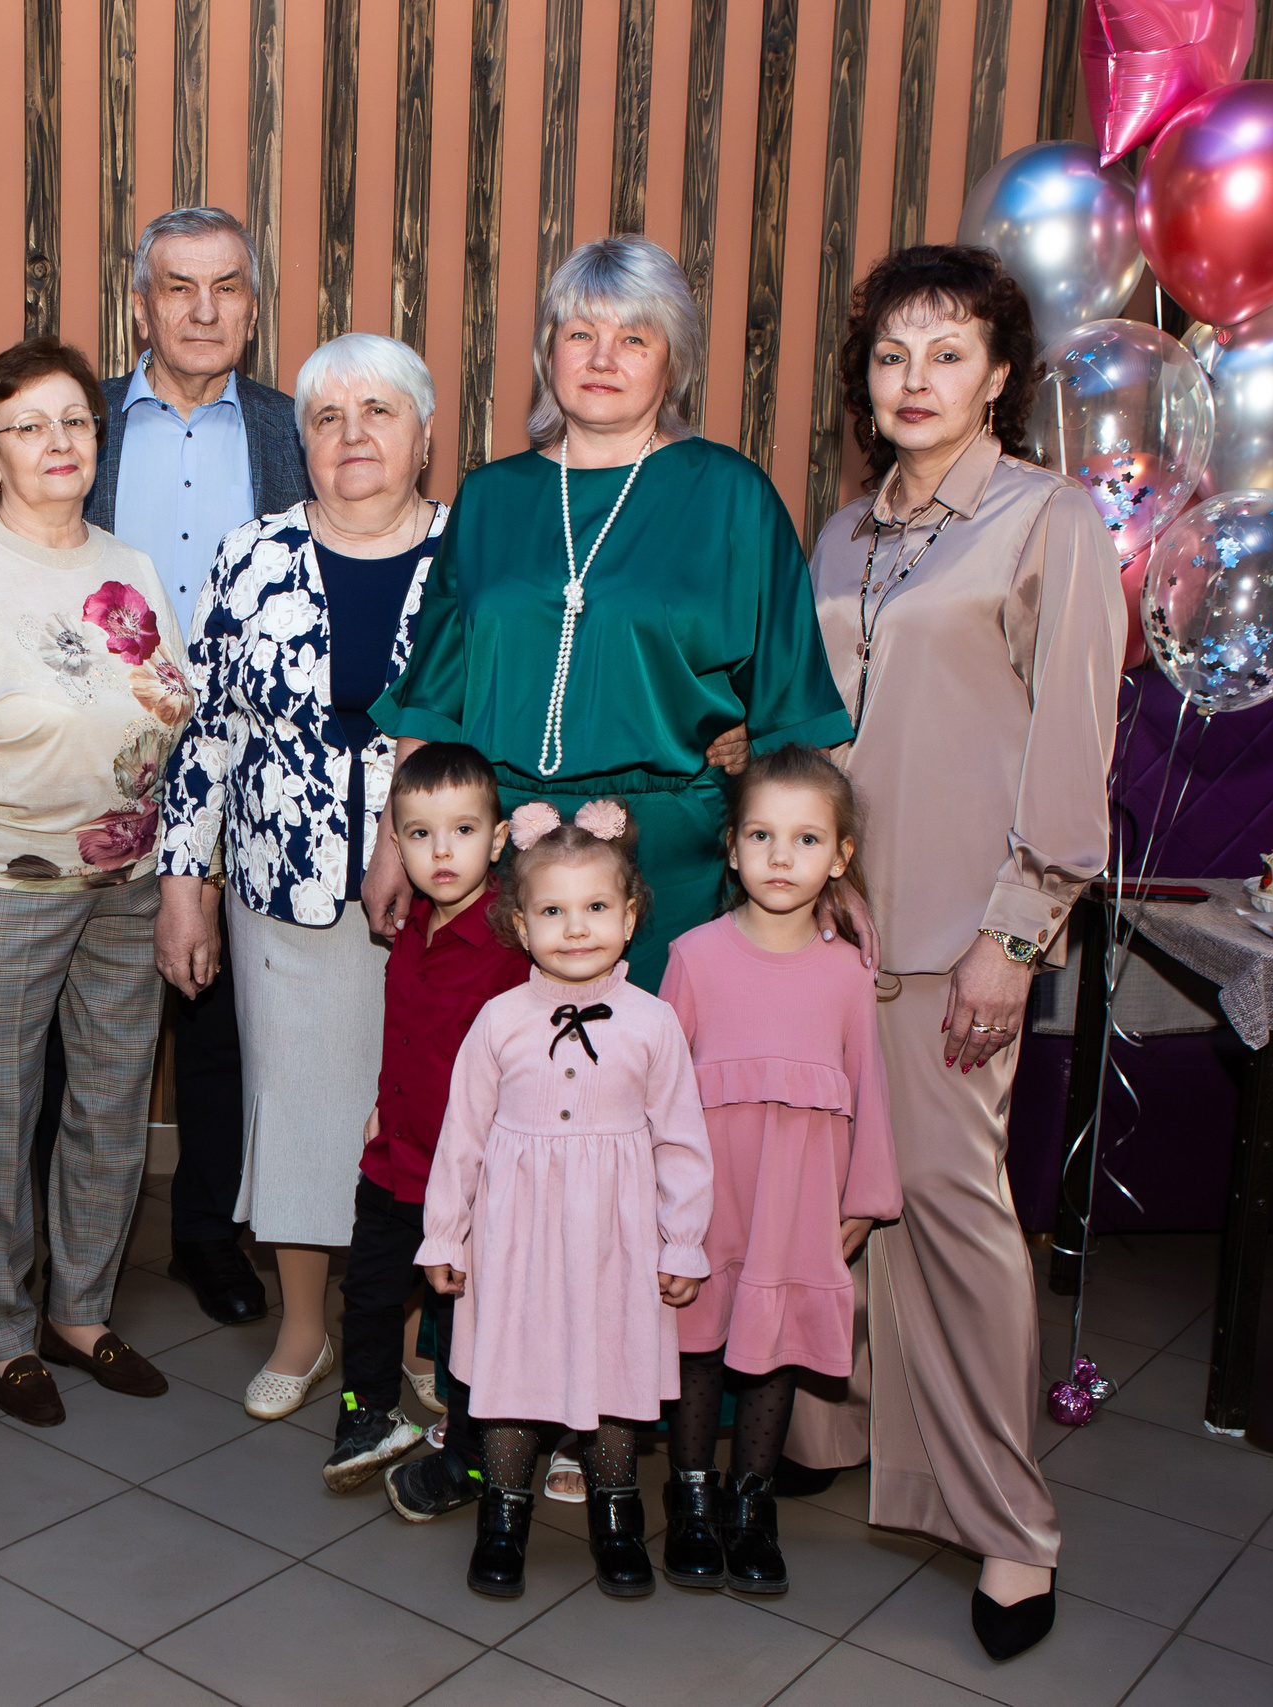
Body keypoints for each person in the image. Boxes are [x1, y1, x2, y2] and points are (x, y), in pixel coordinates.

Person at [798, 244, 1124, 1661]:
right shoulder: (844, 532)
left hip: (958, 933)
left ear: (1002, 373)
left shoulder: (1052, 523)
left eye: (947, 352)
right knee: (834, 1185)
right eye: (889, 354)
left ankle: (1010, 1524)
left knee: (957, 1215)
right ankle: (840, 1417)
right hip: (829, 923)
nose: (914, 379)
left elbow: (1072, 748)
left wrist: (1014, 932)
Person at [365, 235, 853, 993]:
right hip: (501, 864)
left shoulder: (733, 497)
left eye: (633, 338)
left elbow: (797, 722)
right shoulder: (491, 499)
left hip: (669, 871)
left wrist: (817, 879)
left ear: (673, 362)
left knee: (655, 1096)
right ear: (547, 353)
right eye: (580, 335)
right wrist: (393, 845)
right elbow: (432, 700)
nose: (602, 358)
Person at [0, 336, 189, 1427]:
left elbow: (169, 712)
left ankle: (81, 1310)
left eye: (73, 421)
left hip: (128, 883)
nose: (57, 442)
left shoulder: (133, 564)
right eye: (29, 427)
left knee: (110, 1110)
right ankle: (2, 1332)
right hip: (3, 886)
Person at [157, 332, 448, 1418]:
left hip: (441, 898)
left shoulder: (470, 557)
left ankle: (419, 1330)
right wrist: (182, 882)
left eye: (378, 413)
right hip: (278, 892)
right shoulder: (250, 555)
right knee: (298, 1111)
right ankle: (306, 1327)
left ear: (423, 435)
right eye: (327, 419)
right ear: (303, 445)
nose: (352, 436)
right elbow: (204, 737)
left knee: (426, 1114)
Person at [93, 206, 310, 1328]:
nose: (203, 310)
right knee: (81, 1007)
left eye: (227, 287)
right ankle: (62, 1240)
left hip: (242, 767)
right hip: (94, 765)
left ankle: (206, 1234)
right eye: (178, 288)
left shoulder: (291, 431)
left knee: (219, 1016)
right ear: (141, 306)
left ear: (253, 307)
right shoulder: (77, 424)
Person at [418, 801, 715, 1602]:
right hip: (517, 1238)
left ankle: (617, 1517)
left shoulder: (653, 1024)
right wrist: (446, 1234)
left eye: (595, 908)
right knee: (514, 1375)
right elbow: (462, 1136)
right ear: (520, 920)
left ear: (629, 917)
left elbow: (683, 1143)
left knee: (616, 1377)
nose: (575, 927)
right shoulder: (498, 1021)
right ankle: (503, 1516)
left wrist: (682, 1242)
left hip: (618, 1240)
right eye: (553, 910)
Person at [658, 746, 900, 1597]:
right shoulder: (691, 955)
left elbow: (869, 1083)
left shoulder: (847, 969)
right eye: (761, 834)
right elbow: (660, 1090)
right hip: (708, 1194)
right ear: (731, 847)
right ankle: (688, 1498)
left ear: (839, 857)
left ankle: (751, 1504)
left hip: (799, 1192)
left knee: (773, 1350)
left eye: (804, 839)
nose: (780, 856)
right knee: (699, 1342)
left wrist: (865, 1198)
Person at [317, 742, 525, 1495]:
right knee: (367, 1294)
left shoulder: (514, 943)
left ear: (497, 839)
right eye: (421, 834)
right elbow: (403, 1030)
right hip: (395, 1156)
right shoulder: (410, 928)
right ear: (396, 842)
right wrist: (382, 1103)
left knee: (467, 1318)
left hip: (468, 1178)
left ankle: (470, 1449)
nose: (442, 851)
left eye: (463, 830)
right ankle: (367, 1411)